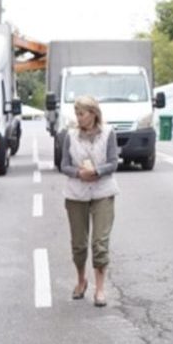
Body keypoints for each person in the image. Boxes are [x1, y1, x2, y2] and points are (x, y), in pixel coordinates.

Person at [55, 95, 118, 307]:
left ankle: (100, 289)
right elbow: (63, 165)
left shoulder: (108, 133)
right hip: (76, 193)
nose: (78, 118)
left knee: (100, 243)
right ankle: (81, 280)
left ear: (93, 114)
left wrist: (97, 171)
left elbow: (113, 162)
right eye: (77, 114)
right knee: (79, 244)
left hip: (102, 191)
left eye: (82, 114)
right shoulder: (70, 136)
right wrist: (78, 173)